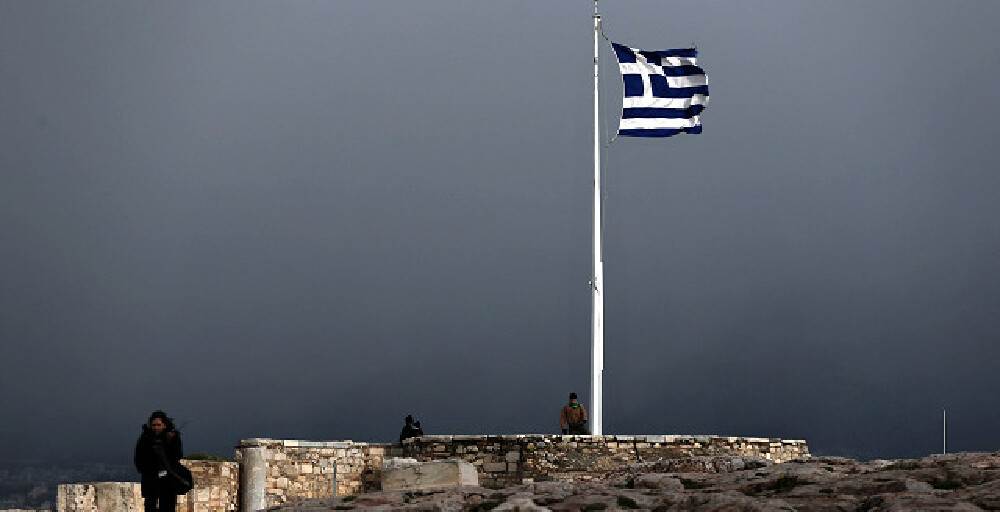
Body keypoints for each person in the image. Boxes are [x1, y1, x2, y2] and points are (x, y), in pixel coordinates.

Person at [134, 410, 184, 512]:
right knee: (150, 506)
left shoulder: (172, 437)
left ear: (164, 425)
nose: (156, 427)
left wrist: (169, 443)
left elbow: (177, 456)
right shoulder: (145, 438)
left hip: (167, 480)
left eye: (158, 425)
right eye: (154, 425)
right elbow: (139, 457)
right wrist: (146, 470)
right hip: (150, 479)